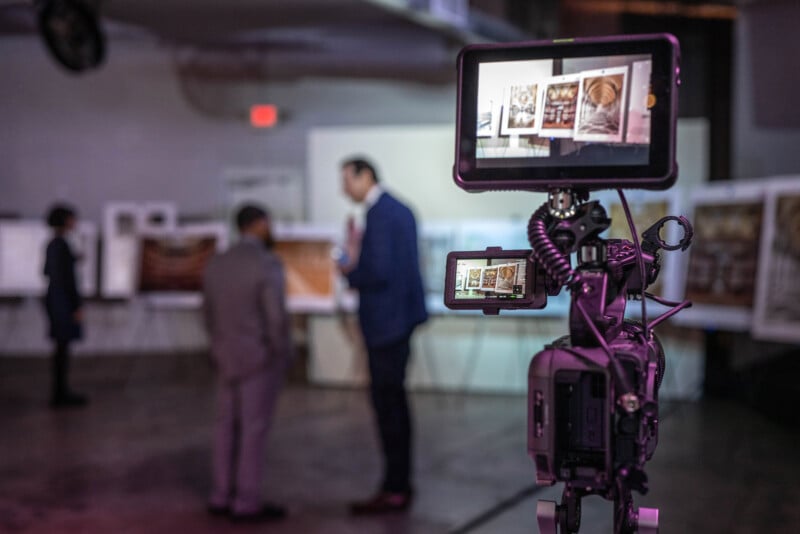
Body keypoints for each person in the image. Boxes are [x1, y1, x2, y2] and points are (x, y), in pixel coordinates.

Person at [338, 157, 428, 515]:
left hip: (386, 326)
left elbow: (378, 270)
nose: (344, 189)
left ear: (366, 176)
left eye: (347, 180)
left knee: (388, 408)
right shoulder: (400, 209)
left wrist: (348, 270)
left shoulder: (380, 213)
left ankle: (395, 487)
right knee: (395, 406)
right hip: (398, 323)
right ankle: (398, 484)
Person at [202, 205, 292, 523]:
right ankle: (246, 500)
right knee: (253, 431)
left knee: (225, 428)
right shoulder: (266, 264)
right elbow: (275, 319)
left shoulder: (217, 262)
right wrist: (282, 354)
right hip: (258, 360)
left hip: (225, 358)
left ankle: (220, 494)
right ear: (261, 224)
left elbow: (209, 314)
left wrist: (217, 348)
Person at [43, 203, 88, 409]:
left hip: (54, 299)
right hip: (63, 302)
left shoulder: (53, 244)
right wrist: (76, 306)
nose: (74, 222)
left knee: (61, 348)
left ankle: (59, 392)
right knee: (62, 347)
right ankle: (60, 394)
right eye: (72, 218)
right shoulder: (62, 245)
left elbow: (45, 271)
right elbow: (68, 280)